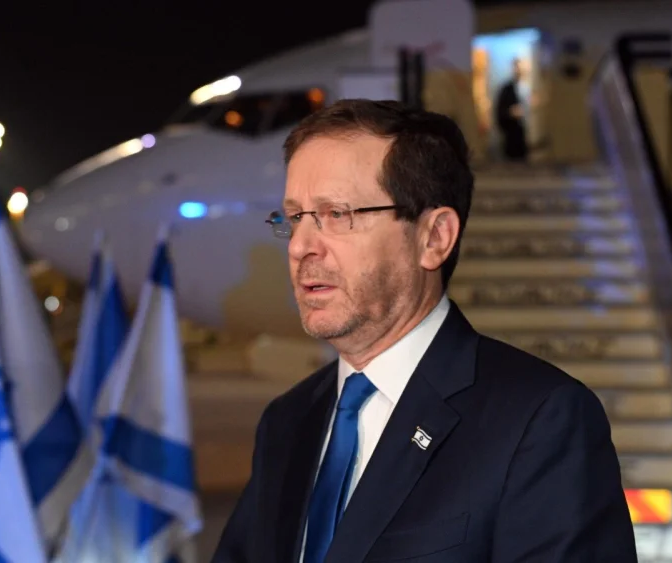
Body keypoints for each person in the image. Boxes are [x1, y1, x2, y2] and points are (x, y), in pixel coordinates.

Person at [211, 99, 637, 562]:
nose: (300, 246)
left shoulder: (540, 421)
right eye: (295, 218)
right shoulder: (288, 421)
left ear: (434, 238)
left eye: (337, 214)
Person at [495, 57, 530, 162]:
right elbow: (500, 111)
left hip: (523, 131)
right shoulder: (506, 89)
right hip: (511, 133)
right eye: (517, 68)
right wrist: (511, 113)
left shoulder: (525, 87)